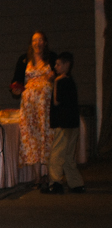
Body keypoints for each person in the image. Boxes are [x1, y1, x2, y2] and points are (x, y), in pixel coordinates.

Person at [11, 32, 57, 170]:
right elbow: (16, 81)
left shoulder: (52, 58)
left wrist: (53, 76)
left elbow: (61, 75)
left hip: (46, 107)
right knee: (32, 138)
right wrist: (16, 89)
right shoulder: (24, 60)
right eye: (35, 40)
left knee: (46, 135)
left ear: (45, 42)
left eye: (41, 40)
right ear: (31, 44)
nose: (38, 43)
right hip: (29, 107)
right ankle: (36, 176)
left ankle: (49, 174)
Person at [43, 51, 84, 194]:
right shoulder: (71, 81)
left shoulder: (60, 81)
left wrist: (54, 83)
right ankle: (76, 183)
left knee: (57, 153)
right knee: (68, 155)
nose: (55, 66)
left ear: (67, 65)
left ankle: (55, 182)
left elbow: (56, 101)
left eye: (59, 64)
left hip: (63, 122)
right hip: (73, 122)